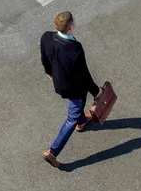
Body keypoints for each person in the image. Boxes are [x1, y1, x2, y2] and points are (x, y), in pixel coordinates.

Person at [40, 11, 101, 168]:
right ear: (70, 27)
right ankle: (52, 152)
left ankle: (81, 122)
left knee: (78, 108)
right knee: (71, 117)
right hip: (73, 88)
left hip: (59, 81)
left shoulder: (47, 37)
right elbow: (85, 76)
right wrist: (97, 92)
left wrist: (49, 72)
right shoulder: (75, 49)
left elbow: (44, 58)